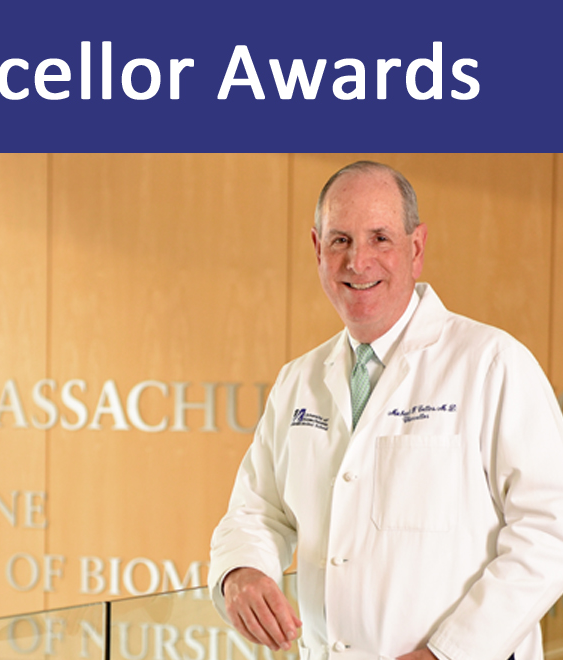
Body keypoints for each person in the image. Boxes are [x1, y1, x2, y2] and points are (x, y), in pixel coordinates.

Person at [208, 161, 563, 660]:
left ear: (415, 249)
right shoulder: (297, 381)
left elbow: (550, 531)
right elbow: (257, 510)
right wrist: (240, 570)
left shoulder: (493, 363)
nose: (358, 262)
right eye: (340, 240)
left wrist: (449, 653)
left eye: (380, 239)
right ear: (317, 249)